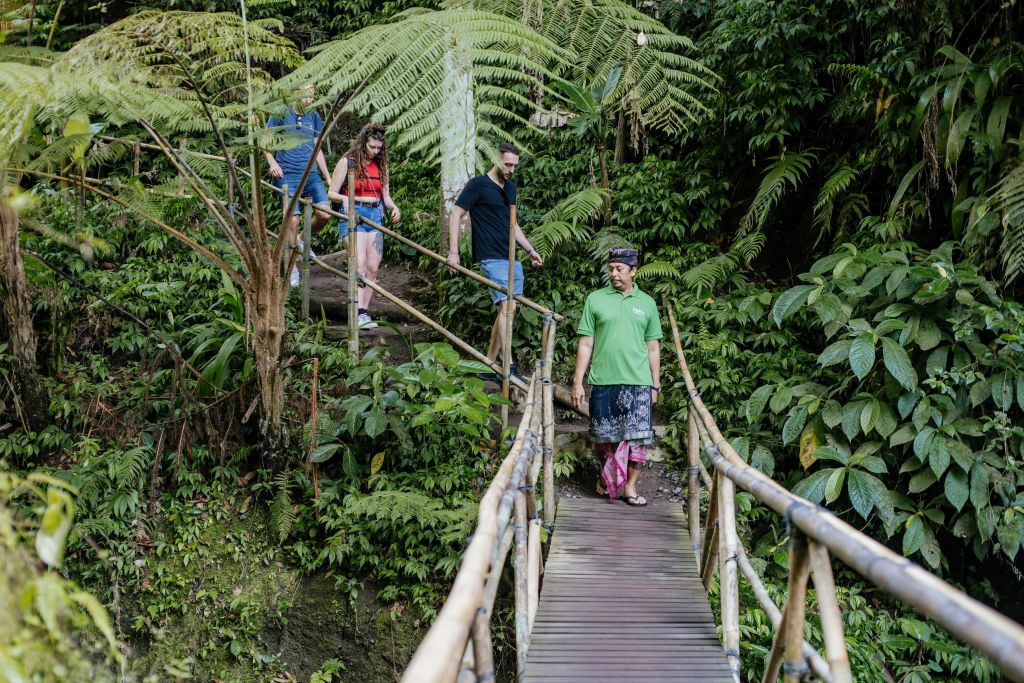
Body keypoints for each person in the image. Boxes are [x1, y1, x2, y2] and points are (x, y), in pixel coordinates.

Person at [571, 247, 662, 507]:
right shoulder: (595, 299)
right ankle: (610, 477)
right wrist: (578, 381)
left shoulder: (647, 303)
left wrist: (655, 385)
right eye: (610, 269)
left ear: (633, 271)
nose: (613, 274)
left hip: (638, 382)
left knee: (639, 439)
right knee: (603, 439)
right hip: (603, 381)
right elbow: (586, 343)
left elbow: (653, 348)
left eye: (619, 269)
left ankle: (630, 488)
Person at [446, 142, 542, 379]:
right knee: (507, 308)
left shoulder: (510, 189)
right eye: (507, 164)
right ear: (496, 160)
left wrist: (529, 249)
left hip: (511, 257)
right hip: (490, 256)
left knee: (507, 310)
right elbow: (456, 213)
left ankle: (489, 364)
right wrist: (453, 252)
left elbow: (513, 225)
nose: (511, 169)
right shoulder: (478, 185)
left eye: (514, 166)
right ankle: (507, 364)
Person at [328, 124, 400, 329]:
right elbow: (331, 193)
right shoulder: (347, 162)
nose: (375, 151)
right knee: (358, 264)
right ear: (363, 142)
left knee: (372, 268)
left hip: (376, 215)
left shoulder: (382, 165)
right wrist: (344, 198)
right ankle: (356, 312)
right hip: (353, 214)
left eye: (379, 148)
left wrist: (394, 207)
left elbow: (385, 196)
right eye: (372, 147)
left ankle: (364, 312)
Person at [264, 84, 331, 286]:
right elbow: (264, 141)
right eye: (305, 93)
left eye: (312, 94)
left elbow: (317, 148)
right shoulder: (281, 113)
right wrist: (272, 162)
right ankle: (292, 268)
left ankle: (302, 239)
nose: (309, 97)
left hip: (310, 174)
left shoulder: (314, 116)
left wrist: (327, 177)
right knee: (292, 220)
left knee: (325, 213)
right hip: (287, 174)